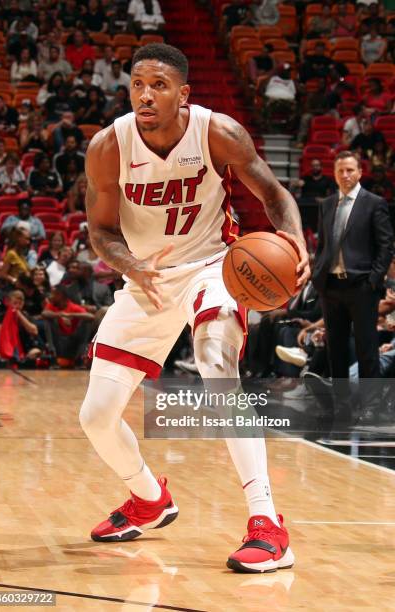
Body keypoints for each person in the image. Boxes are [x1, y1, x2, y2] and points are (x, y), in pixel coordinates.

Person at [80, 43, 310, 574]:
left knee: (215, 365)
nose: (145, 94)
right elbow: (101, 230)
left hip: (214, 266)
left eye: (158, 85)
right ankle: (148, 498)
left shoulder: (217, 132)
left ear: (183, 93)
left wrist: (295, 241)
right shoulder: (107, 147)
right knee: (94, 417)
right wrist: (130, 265)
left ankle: (268, 525)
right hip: (148, 277)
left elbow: (274, 196)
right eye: (137, 83)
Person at [312, 151, 394, 425]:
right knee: (334, 348)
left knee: (366, 348)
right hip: (331, 286)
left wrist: (373, 281)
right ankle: (341, 405)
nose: (345, 175)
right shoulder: (326, 204)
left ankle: (371, 406)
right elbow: (322, 245)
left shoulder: (375, 203)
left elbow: (386, 247)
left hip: (361, 287)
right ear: (334, 174)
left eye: (350, 170)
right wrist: (317, 276)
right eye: (340, 171)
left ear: (360, 171)